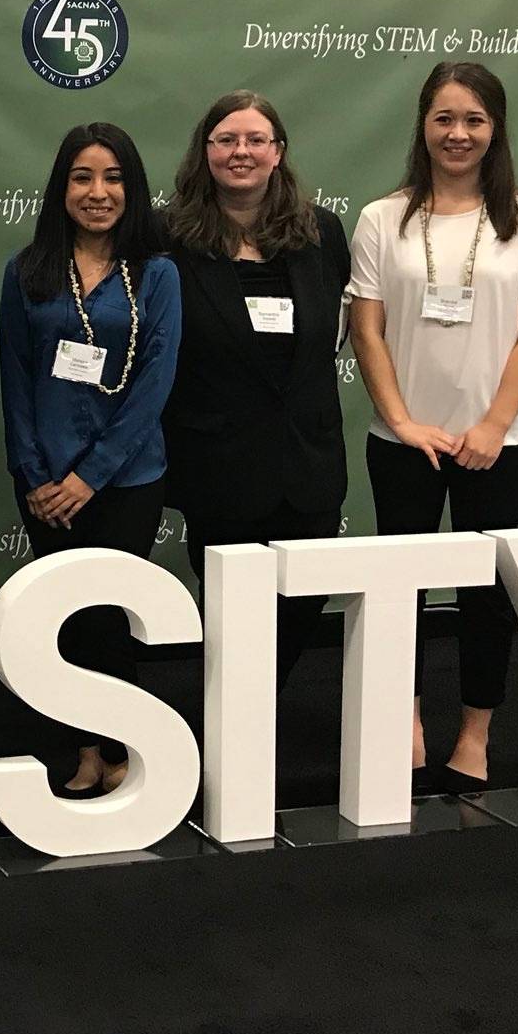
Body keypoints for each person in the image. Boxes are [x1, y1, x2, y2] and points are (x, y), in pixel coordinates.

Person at [347, 61, 518, 788]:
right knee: (399, 587)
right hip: (404, 442)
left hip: (498, 442)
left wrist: (494, 424)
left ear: (495, 129)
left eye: (473, 120)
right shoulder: (384, 218)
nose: (458, 133)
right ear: (423, 126)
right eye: (444, 118)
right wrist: (403, 421)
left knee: (486, 595)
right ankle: (405, 719)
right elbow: (367, 331)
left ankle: (475, 732)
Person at [0, 122, 179, 799]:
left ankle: (119, 742)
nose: (97, 193)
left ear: (131, 190)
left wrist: (89, 477)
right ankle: (77, 749)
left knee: (112, 617)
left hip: (127, 480)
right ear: (61, 188)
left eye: (112, 179)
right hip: (44, 481)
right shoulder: (29, 271)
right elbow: (14, 377)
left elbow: (155, 382)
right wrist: (36, 474)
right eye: (82, 178)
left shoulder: (157, 275)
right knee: (63, 621)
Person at [163, 91, 351, 697]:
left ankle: (256, 708)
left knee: (299, 609)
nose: (241, 151)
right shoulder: (169, 237)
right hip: (219, 465)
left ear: (279, 153)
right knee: (228, 617)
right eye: (226, 140)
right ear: (205, 151)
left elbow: (340, 331)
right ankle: (226, 727)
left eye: (255, 140)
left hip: (308, 462)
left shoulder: (321, 232)